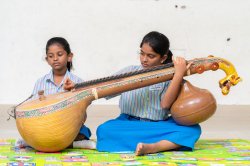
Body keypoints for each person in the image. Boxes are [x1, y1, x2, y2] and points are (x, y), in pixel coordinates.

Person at [63, 31, 201, 155]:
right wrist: (77, 86)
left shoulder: (171, 77)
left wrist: (178, 74)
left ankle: (153, 147)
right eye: (142, 53)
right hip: (127, 123)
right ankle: (163, 144)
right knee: (104, 129)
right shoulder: (129, 72)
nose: (144, 59)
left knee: (193, 129)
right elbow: (104, 88)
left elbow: (165, 105)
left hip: (157, 125)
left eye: (151, 56)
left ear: (163, 58)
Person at [15, 37, 96, 149]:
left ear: (69, 57)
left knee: (82, 133)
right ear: (47, 60)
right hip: (46, 126)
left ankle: (33, 143)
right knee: (37, 132)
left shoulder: (77, 82)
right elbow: (32, 106)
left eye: (59, 54)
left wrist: (75, 90)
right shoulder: (40, 82)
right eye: (51, 56)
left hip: (69, 126)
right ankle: (75, 145)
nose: (55, 59)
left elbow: (85, 103)